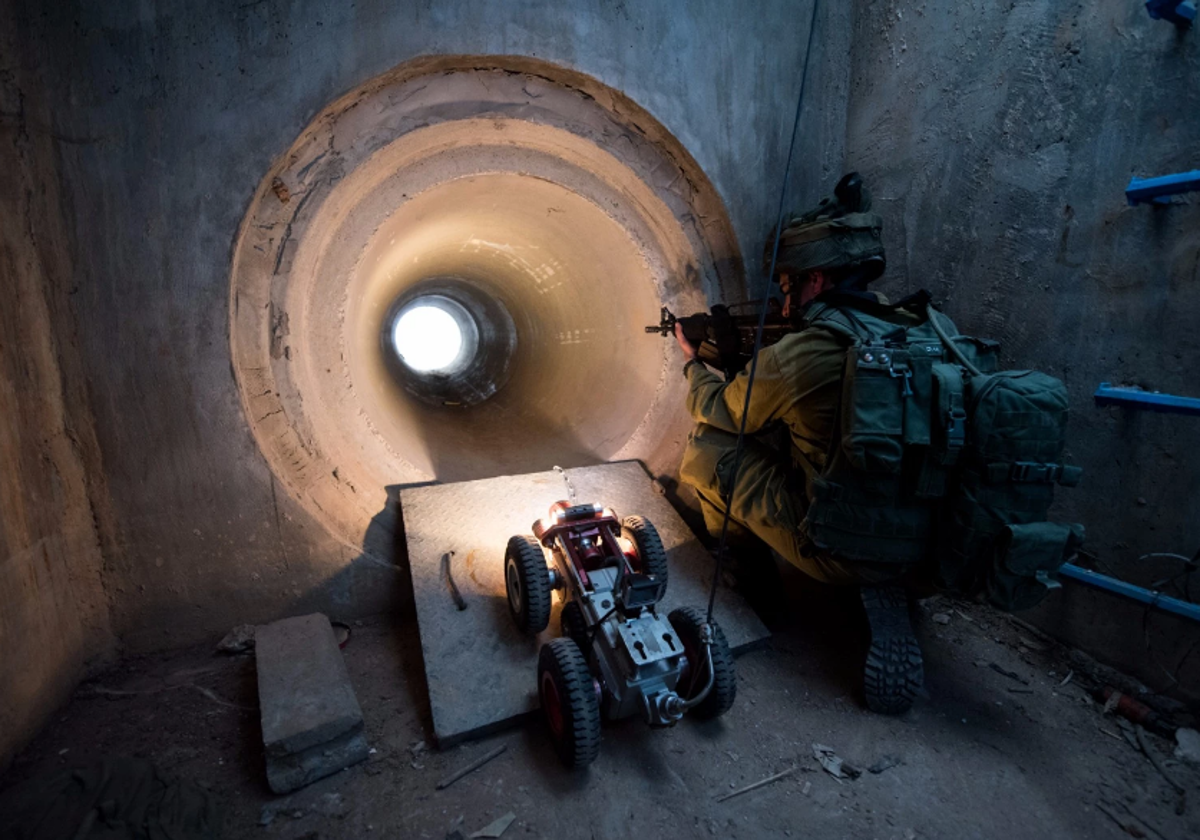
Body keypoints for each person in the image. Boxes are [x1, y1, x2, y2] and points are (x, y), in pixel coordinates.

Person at [673, 173, 937, 714]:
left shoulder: (806, 351)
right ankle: (889, 575)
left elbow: (724, 411)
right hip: (929, 538)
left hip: (838, 544)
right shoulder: (918, 328)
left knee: (709, 449)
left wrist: (693, 363)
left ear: (816, 281)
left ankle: (756, 579)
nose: (785, 299)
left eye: (789, 286)